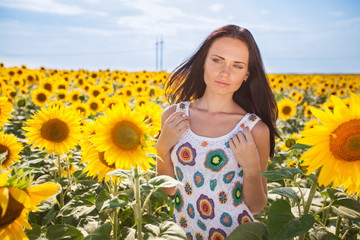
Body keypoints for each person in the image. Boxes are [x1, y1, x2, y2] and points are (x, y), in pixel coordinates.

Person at [156, 24, 279, 239]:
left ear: (247, 74)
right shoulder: (174, 117)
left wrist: (251, 170)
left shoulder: (254, 129)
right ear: (204, 60)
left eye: (237, 66)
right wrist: (162, 147)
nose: (225, 73)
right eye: (217, 60)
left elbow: (256, 206)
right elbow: (169, 190)